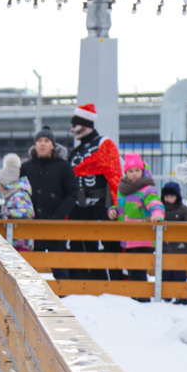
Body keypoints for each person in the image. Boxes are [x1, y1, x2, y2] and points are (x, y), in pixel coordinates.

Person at [67, 103, 123, 282]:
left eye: (75, 125)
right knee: (77, 244)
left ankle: (113, 283)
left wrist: (116, 205)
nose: (72, 130)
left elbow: (114, 174)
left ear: (85, 125)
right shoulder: (75, 151)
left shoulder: (104, 144)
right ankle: (81, 282)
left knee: (109, 244)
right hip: (77, 207)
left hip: (101, 206)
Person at [20, 126, 77, 279]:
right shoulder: (26, 167)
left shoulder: (63, 166)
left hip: (55, 225)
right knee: (29, 267)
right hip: (31, 224)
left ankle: (65, 298)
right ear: (35, 145)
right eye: (39, 141)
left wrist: (58, 215)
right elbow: (19, 192)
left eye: (46, 141)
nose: (42, 144)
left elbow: (72, 193)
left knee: (58, 265)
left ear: (53, 145)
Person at [108, 154, 164, 302]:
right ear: (126, 173)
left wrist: (157, 215)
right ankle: (136, 298)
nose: (134, 174)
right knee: (132, 270)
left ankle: (142, 299)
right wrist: (113, 211)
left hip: (143, 237)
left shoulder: (146, 189)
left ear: (142, 171)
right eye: (130, 171)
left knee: (138, 270)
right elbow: (121, 208)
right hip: (128, 238)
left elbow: (155, 204)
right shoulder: (122, 191)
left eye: (137, 170)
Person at [160, 182, 187, 304]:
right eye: (166, 196)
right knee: (166, 274)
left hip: (180, 250)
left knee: (179, 275)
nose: (168, 198)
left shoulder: (183, 210)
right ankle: (166, 296)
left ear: (177, 196)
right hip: (165, 249)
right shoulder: (160, 210)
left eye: (172, 196)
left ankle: (182, 297)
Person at [0, 153, 35, 251]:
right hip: (14, 240)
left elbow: (29, 211)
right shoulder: (12, 196)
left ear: (6, 185)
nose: (0, 190)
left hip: (21, 242)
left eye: (0, 186)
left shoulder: (19, 195)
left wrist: (11, 213)